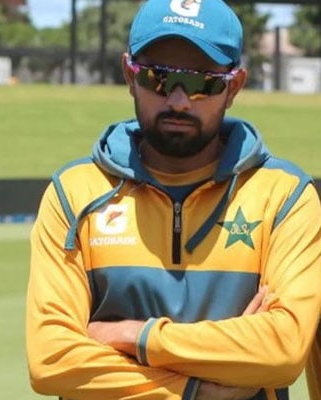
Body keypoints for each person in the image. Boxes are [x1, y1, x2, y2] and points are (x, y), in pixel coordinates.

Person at [25, 0, 321, 398]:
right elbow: (51, 358)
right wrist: (194, 389)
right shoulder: (74, 193)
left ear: (233, 87)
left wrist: (134, 337)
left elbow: (281, 350)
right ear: (129, 76)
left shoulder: (286, 196)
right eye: (158, 78)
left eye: (203, 83)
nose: (179, 101)